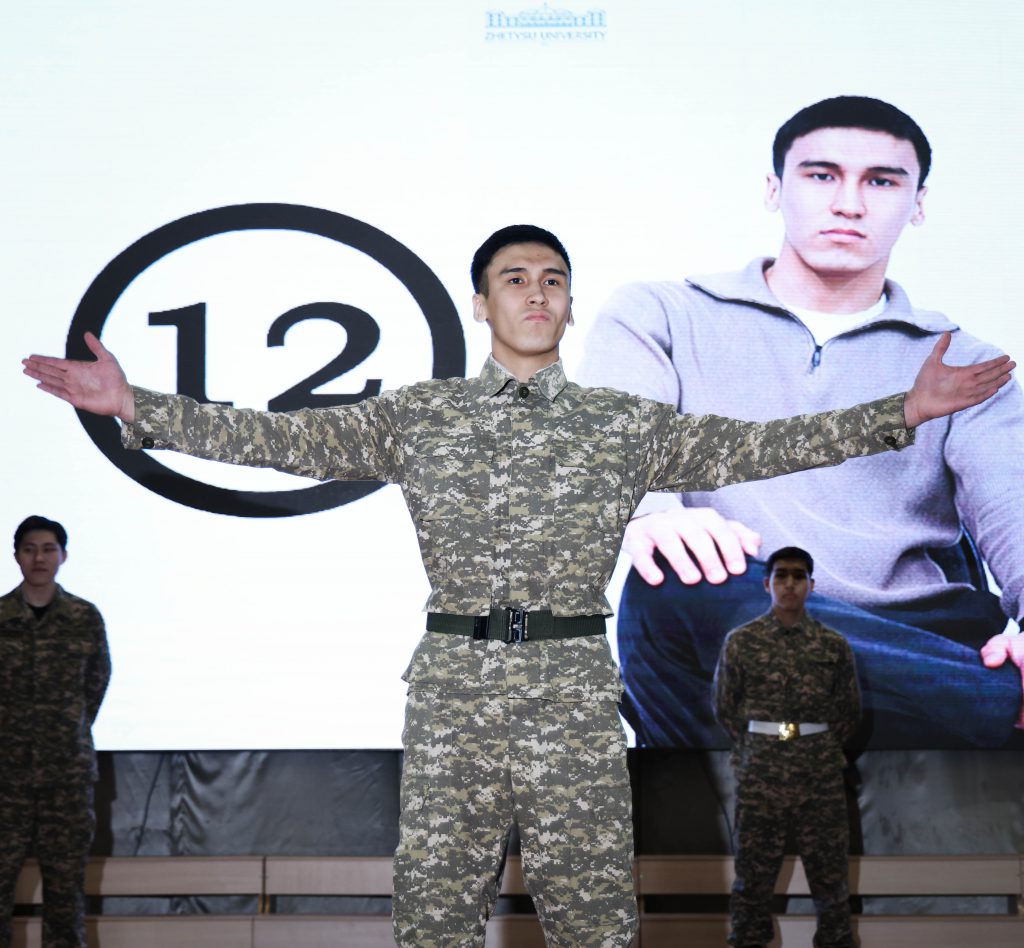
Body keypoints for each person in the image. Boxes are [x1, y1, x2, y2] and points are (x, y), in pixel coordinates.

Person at [22, 224, 1011, 947]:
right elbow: (274, 439)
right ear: (479, 302)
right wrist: (135, 406)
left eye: (553, 280)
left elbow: (771, 444)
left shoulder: (622, 425)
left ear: (570, 304)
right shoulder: (422, 416)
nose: (536, 294)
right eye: (513, 279)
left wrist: (903, 410)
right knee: (436, 918)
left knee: (595, 920)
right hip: (456, 683)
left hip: (569, 687)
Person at [579, 95, 1024, 749]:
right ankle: (993, 703)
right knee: (670, 580)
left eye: (881, 181)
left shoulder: (965, 363)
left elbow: (1014, 507)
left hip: (907, 649)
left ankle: (953, 695)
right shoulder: (661, 314)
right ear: (775, 189)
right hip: (732, 630)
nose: (849, 203)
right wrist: (649, 513)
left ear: (918, 203)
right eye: (821, 175)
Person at [714, 546, 859, 948]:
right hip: (761, 772)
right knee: (752, 879)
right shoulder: (741, 642)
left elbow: (848, 712)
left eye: (798, 576)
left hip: (819, 772)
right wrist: (760, 747)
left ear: (811, 585)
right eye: (781, 575)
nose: (789, 584)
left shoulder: (833, 645)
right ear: (767, 584)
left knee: (830, 879)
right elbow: (725, 709)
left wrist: (814, 745)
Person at [0, 516, 111, 948]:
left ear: (63, 556)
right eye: (30, 549)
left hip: (66, 777)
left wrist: (65, 729)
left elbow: (96, 684)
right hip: (6, 777)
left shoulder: (84, 617)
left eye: (48, 549)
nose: (39, 558)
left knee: (65, 897)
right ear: (17, 557)